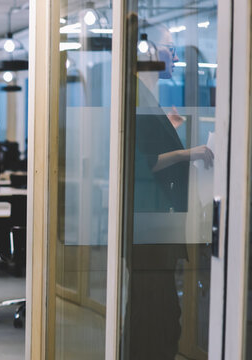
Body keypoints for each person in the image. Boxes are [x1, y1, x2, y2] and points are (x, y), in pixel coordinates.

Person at [128, 24, 213, 360]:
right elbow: (142, 163)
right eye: (169, 48)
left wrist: (172, 133)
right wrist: (188, 152)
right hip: (148, 224)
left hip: (156, 224)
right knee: (156, 316)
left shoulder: (147, 98)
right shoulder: (135, 96)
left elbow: (148, 146)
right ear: (146, 53)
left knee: (160, 314)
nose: (175, 56)